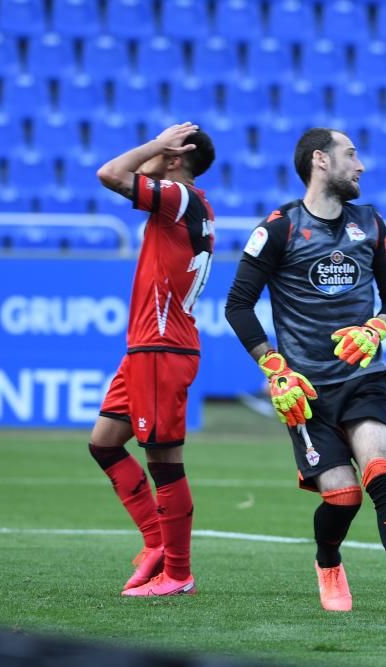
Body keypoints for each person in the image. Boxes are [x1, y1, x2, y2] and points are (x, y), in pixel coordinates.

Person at [224, 128, 386, 620]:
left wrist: (377, 328)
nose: (361, 166)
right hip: (305, 389)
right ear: (320, 160)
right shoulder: (278, 228)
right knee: (342, 495)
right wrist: (273, 367)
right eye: (351, 154)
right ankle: (328, 560)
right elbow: (238, 305)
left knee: (381, 470)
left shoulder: (370, 223)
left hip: (363, 378)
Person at [89, 121, 216, 597]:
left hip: (163, 349)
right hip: (148, 348)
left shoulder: (180, 199)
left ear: (176, 157)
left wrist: (156, 146)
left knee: (164, 461)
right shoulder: (188, 205)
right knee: (104, 444)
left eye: (164, 148)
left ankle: (179, 574)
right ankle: (156, 543)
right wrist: (159, 149)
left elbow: (110, 173)